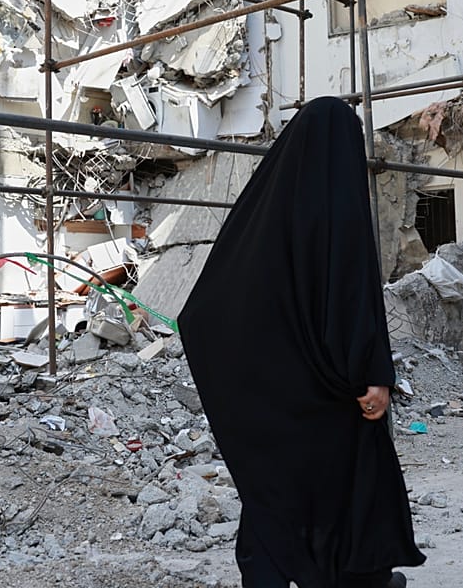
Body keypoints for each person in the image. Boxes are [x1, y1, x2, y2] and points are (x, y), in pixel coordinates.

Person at [178, 97, 425, 588]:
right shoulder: (338, 207)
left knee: (273, 489)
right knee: (346, 478)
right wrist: (372, 373)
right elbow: (350, 293)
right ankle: (359, 580)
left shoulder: (262, 211)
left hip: (273, 397)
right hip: (331, 393)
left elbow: (206, 309)